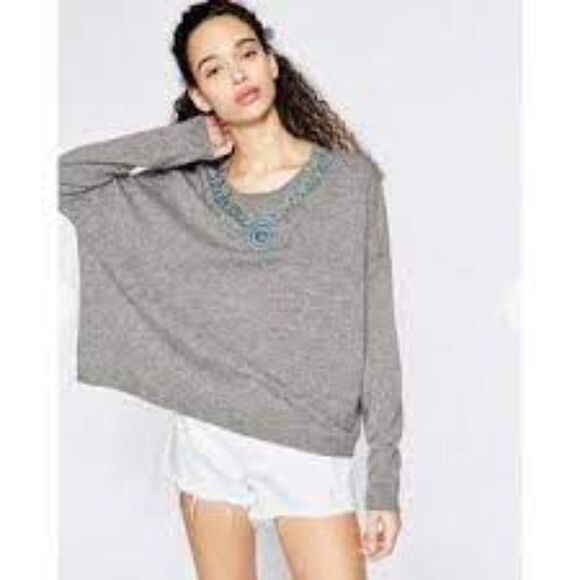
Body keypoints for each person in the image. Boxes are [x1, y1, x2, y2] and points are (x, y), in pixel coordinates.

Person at [58, 1, 404, 578]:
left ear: (271, 63)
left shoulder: (351, 184)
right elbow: (61, 181)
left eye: (247, 54)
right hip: (210, 442)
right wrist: (187, 142)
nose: (238, 74)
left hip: (310, 443)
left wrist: (384, 477)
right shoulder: (187, 191)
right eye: (214, 69)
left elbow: (377, 331)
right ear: (200, 95)